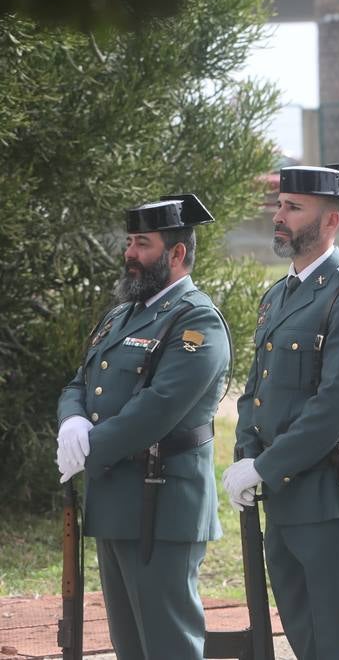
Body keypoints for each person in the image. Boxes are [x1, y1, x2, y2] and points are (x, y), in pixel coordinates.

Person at [222, 163, 339, 660]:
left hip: (327, 492)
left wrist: (264, 466)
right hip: (283, 493)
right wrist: (247, 456)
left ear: (331, 222)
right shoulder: (280, 296)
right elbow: (258, 391)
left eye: (293, 208)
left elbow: (335, 408)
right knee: (299, 631)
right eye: (280, 205)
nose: (280, 215)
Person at [55, 194, 229, 660]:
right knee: (130, 644)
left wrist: (90, 446)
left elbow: (159, 407)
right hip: (115, 497)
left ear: (176, 254)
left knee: (168, 643)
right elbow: (81, 380)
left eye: (143, 244)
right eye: (130, 242)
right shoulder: (122, 314)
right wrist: (71, 420)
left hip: (161, 501)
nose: (130, 253)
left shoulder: (196, 320)